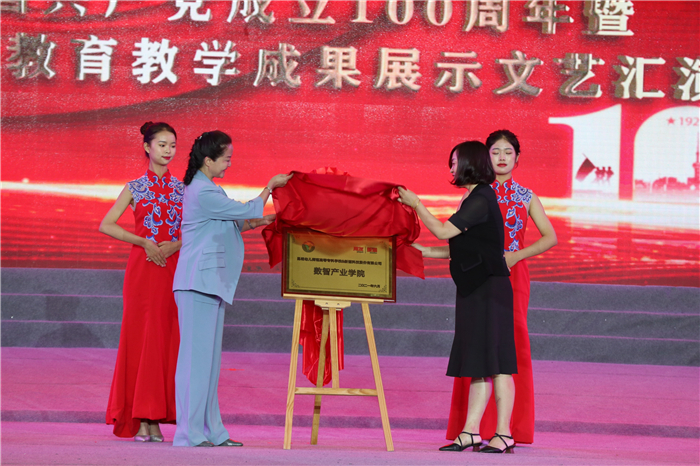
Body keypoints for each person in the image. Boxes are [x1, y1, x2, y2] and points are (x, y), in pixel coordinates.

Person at [172, 130, 291, 447]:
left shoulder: (211, 189)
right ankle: (188, 433)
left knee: (209, 366)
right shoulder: (202, 191)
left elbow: (239, 221)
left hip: (211, 284)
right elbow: (246, 210)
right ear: (208, 160)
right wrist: (270, 187)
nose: (229, 164)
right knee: (196, 364)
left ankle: (213, 431)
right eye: (226, 159)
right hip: (197, 284)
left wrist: (267, 220)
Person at [398, 141, 518, 454]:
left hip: (491, 289)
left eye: (454, 161)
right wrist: (419, 251)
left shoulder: (481, 197)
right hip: (474, 288)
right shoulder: (473, 198)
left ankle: (504, 434)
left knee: (498, 363)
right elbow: (460, 249)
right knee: (478, 362)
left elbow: (443, 232)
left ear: (469, 163)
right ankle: (470, 432)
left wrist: (416, 204)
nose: (451, 167)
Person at [100, 121, 182, 442]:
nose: (168, 151)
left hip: (172, 269)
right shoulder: (135, 187)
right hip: (143, 268)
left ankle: (155, 415)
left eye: (172, 145)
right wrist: (143, 242)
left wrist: (176, 244)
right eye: (162, 144)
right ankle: (141, 417)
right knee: (140, 339)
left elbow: (196, 230)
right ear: (147, 147)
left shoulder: (183, 189)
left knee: (164, 340)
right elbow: (107, 224)